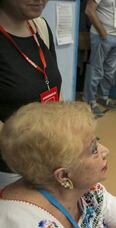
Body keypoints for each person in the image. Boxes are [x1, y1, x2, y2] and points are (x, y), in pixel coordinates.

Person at [0, 0, 62, 188]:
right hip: (9, 169)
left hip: (46, 161)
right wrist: (32, 150)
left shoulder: (40, 27)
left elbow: (54, 88)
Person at [83, 0, 116, 117]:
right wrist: (103, 32)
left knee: (110, 70)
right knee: (96, 69)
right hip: (102, 36)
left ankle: (103, 97)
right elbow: (89, 10)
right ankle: (89, 100)